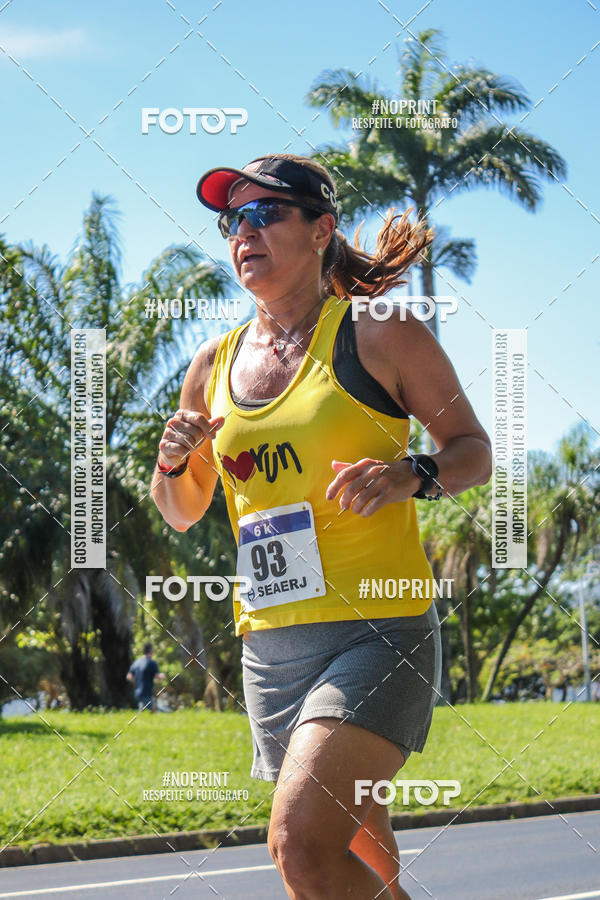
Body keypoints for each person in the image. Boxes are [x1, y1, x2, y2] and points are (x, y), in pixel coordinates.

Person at [151, 154, 492, 899]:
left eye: (266, 215)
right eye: (231, 221)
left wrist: (414, 474)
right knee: (365, 859)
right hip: (272, 645)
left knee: (299, 845)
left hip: (379, 628)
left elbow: (473, 450)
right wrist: (173, 462)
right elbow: (180, 512)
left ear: (321, 230)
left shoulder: (377, 334)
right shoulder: (213, 364)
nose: (245, 233)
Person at [126, 642, 165, 712]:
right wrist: (162, 676)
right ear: (151, 651)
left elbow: (129, 677)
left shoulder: (136, 662)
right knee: (151, 712)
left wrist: (137, 681)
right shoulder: (152, 663)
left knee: (143, 711)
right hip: (147, 692)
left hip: (137, 692)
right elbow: (158, 677)